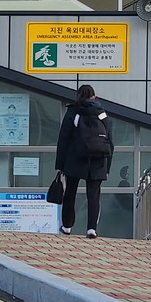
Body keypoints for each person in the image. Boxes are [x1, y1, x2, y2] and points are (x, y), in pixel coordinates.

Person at [55, 85, 114, 239]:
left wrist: (60, 165)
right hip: (98, 159)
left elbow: (63, 139)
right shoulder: (102, 114)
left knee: (70, 192)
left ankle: (67, 226)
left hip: (75, 158)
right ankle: (91, 229)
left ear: (78, 96)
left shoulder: (73, 112)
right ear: (94, 96)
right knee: (93, 195)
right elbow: (110, 141)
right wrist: (107, 166)